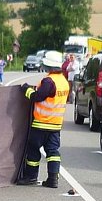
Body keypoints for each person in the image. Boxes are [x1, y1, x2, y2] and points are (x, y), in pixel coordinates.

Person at [16, 57, 70, 188]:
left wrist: (26, 89)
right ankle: (53, 179)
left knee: (33, 150)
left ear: (49, 67)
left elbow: (37, 97)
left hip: (41, 123)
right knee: (53, 152)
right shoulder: (64, 81)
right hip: (55, 125)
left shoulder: (49, 81)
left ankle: (31, 177)